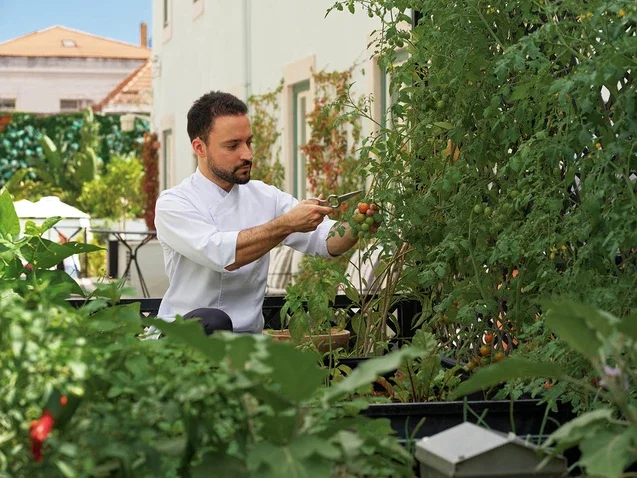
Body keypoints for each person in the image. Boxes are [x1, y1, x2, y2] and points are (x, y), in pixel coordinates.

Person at [154, 91, 364, 335]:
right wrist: (286, 224)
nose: (247, 155)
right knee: (212, 320)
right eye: (233, 145)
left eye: (249, 142)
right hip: (181, 341)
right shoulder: (174, 203)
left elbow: (326, 241)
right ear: (200, 147)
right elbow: (222, 255)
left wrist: (358, 224)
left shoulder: (266, 196)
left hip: (247, 343)